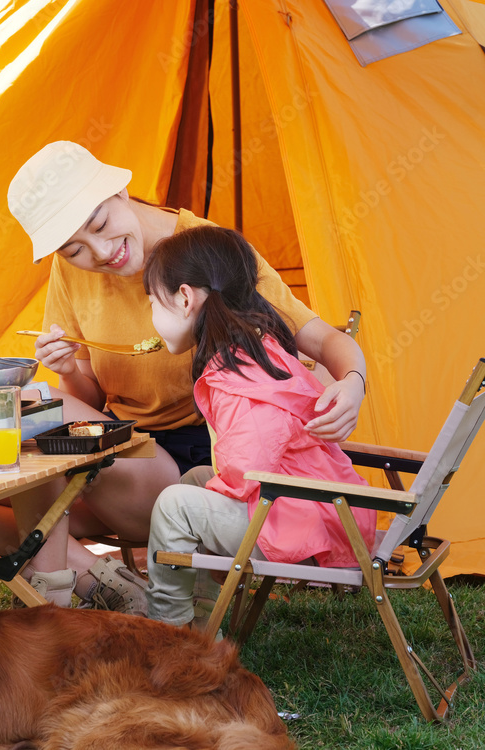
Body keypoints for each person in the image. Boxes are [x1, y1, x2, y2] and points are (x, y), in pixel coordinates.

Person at [0, 140, 367, 611]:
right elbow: (87, 396)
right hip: (120, 458)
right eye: (73, 249)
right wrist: (67, 370)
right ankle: (100, 580)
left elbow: (324, 340)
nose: (101, 253)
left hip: (193, 476)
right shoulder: (71, 273)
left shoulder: (209, 251)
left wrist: (353, 380)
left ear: (120, 190)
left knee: (33, 412)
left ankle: (52, 596)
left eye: (101, 224)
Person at [142, 225, 375, 627]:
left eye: (152, 303)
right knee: (195, 480)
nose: (152, 318)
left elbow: (251, 465)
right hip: (315, 506)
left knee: (173, 506)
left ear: (184, 298)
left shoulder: (234, 372)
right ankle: (201, 616)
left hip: (293, 521)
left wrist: (221, 489)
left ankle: (169, 632)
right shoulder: (259, 346)